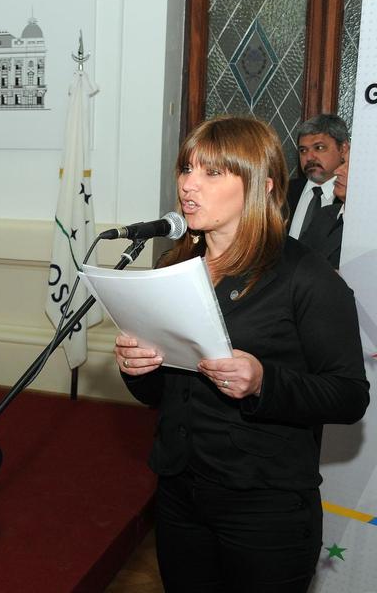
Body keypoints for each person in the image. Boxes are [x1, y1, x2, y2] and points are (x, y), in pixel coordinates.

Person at [114, 116, 369, 592]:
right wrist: (137, 367)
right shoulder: (175, 265)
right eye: (186, 168)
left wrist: (263, 382)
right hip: (179, 495)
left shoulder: (305, 276)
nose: (189, 184)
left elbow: (350, 395)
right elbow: (161, 393)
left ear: (262, 185)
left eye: (212, 173)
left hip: (265, 507)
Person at [287, 114, 349, 240]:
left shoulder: (351, 198)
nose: (309, 157)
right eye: (303, 150)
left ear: (343, 149)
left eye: (319, 148)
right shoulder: (284, 191)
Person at [299, 153, 347, 269]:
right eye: (342, 163)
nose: (337, 171)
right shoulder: (324, 213)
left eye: (350, 167)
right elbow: (298, 257)